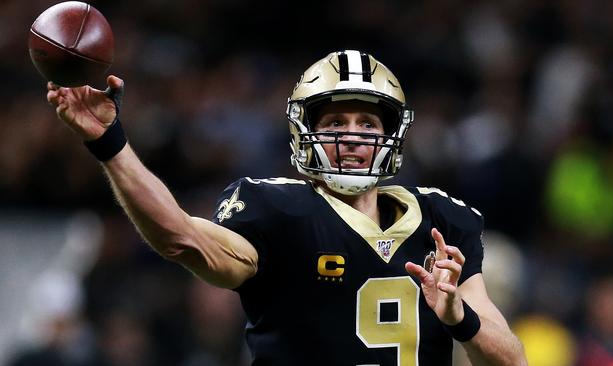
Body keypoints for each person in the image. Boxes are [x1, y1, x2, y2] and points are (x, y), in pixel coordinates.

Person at [46, 49, 527, 365]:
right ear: (305, 131)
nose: (352, 136)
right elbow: (182, 238)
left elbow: (511, 361)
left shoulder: (441, 218)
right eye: (336, 120)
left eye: (367, 122)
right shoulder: (276, 208)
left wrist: (459, 315)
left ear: (390, 135)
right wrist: (112, 144)